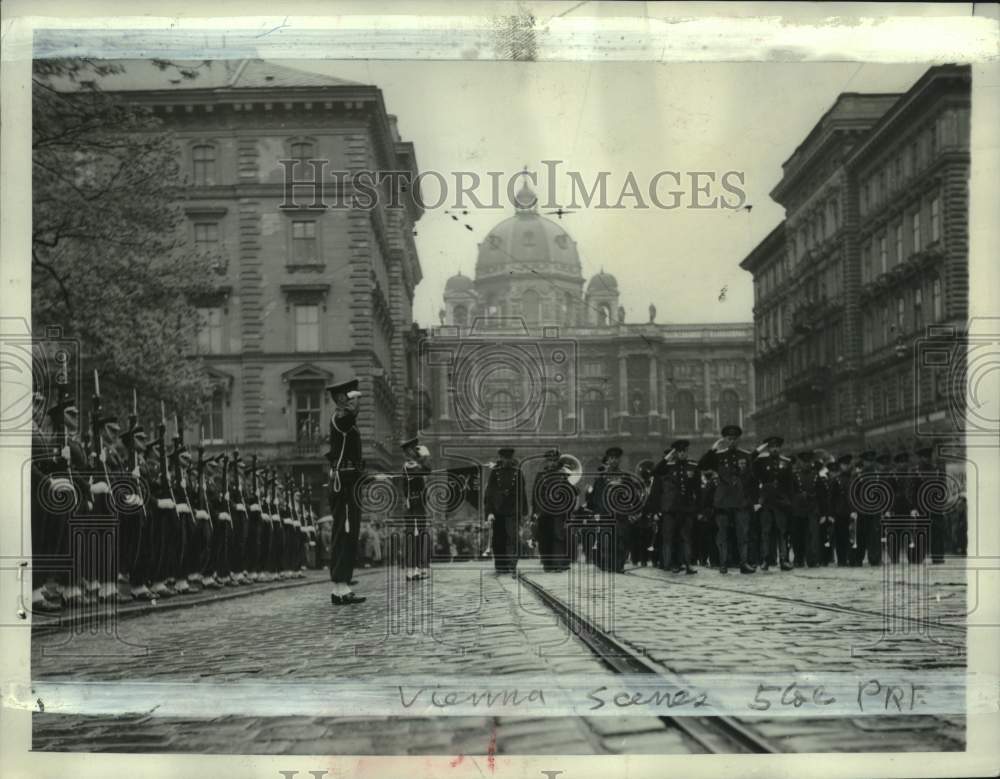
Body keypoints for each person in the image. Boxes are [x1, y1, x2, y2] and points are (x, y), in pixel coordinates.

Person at [325, 378, 366, 605]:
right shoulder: (341, 418)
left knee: (350, 533)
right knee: (344, 532)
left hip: (350, 481)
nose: (354, 399)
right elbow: (351, 415)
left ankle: (344, 585)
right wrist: (356, 399)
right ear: (341, 398)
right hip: (343, 483)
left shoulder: (346, 421)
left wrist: (364, 476)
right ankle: (339, 586)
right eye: (349, 395)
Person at [697, 425, 757, 574]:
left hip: (740, 500)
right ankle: (723, 564)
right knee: (722, 534)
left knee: (742, 534)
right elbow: (702, 465)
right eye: (729, 439)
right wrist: (712, 450)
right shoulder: (718, 456)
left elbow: (752, 479)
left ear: (738, 439)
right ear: (724, 439)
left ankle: (743, 563)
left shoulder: (746, 456)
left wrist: (751, 499)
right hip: (723, 501)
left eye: (734, 439)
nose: (732, 441)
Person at [656, 440, 699, 574]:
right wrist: (668, 456)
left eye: (683, 451)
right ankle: (670, 564)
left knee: (686, 538)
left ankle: (688, 565)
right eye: (678, 451)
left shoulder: (693, 466)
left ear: (687, 452)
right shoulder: (668, 466)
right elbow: (656, 471)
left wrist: (699, 508)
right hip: (670, 508)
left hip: (686, 508)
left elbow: (697, 489)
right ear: (675, 453)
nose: (681, 454)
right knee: (669, 537)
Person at [752, 436, 793, 572]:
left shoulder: (786, 462)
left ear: (780, 448)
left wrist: (788, 501)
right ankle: (765, 560)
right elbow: (750, 461)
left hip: (781, 502)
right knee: (766, 532)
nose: (774, 449)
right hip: (766, 502)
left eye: (777, 446)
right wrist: (759, 450)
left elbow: (789, 484)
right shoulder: (761, 461)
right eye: (771, 446)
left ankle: (783, 560)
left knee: (782, 532)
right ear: (768, 448)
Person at [484, 447, 528, 575]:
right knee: (498, 539)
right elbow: (489, 494)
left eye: (509, 458)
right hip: (498, 511)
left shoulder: (518, 472)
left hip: (513, 510)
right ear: (501, 458)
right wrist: (489, 512)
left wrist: (524, 512)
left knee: (513, 538)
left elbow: (522, 493)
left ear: (511, 458)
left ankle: (511, 564)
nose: (507, 460)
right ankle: (500, 565)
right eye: (504, 458)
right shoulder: (495, 472)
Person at [590, 446, 631, 573]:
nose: (614, 461)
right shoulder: (601, 478)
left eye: (616, 458)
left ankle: (619, 565)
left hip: (621, 514)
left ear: (619, 460)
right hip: (605, 514)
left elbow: (630, 495)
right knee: (606, 541)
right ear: (608, 459)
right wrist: (596, 513)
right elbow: (595, 497)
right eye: (611, 458)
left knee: (621, 540)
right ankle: (608, 564)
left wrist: (630, 511)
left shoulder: (625, 477)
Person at [532, 448, 573, 572]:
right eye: (550, 460)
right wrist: (534, 513)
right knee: (545, 538)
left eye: (555, 460)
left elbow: (571, 494)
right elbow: (535, 495)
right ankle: (548, 564)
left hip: (559, 512)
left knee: (559, 536)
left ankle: (560, 563)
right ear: (546, 462)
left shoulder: (564, 475)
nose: (552, 463)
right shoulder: (540, 476)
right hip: (544, 512)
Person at [401, 437, 432, 581]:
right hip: (413, 505)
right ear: (409, 451)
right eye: (414, 449)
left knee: (419, 537)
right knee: (412, 538)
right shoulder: (409, 466)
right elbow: (425, 471)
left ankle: (418, 568)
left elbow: (427, 471)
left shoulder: (414, 465)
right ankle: (411, 570)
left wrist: (424, 458)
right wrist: (425, 457)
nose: (416, 451)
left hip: (419, 504)